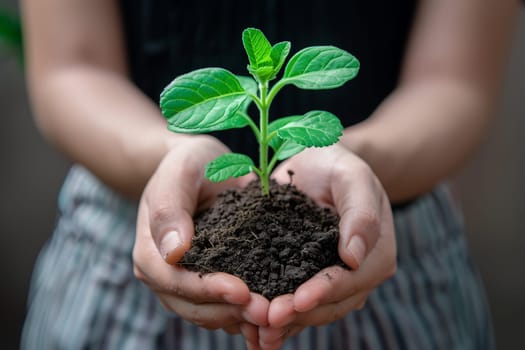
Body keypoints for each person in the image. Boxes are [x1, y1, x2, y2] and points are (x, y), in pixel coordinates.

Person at [19, 0, 519, 349]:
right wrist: (167, 155)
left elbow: (455, 83)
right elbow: (71, 69)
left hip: (385, 253)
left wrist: (358, 158)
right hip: (127, 255)